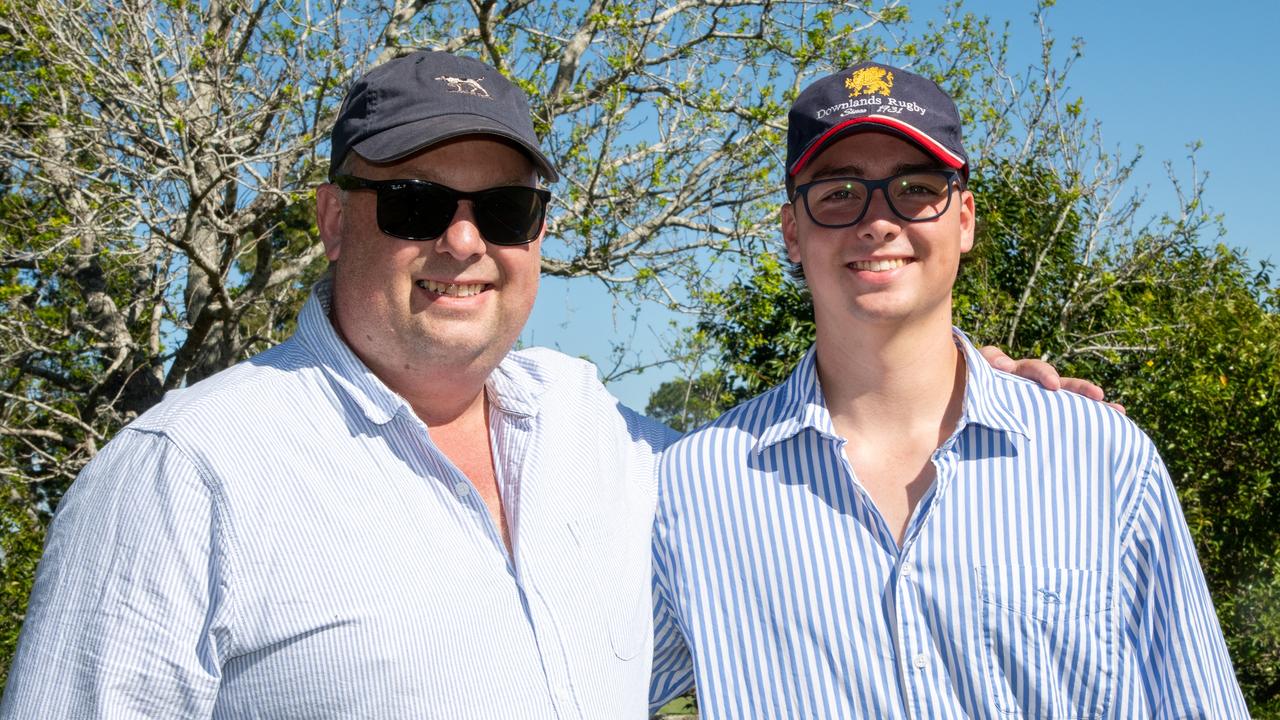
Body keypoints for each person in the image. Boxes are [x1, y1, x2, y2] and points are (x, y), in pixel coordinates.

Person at [2, 51, 1095, 718]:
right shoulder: (187, 474)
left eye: (507, 211)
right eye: (417, 205)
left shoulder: (606, 440)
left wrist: (951, 389)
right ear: (335, 219)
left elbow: (798, 486)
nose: (464, 242)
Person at [649, 62, 1248, 718]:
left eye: (915, 188)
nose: (878, 220)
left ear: (963, 218)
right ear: (793, 230)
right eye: (839, 191)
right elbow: (560, 678)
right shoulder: (690, 491)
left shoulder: (1100, 457)